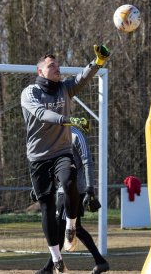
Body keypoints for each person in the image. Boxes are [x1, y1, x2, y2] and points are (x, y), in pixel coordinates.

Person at [21, 45, 110, 273]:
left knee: (69, 180)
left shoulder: (64, 89)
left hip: (61, 152)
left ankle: (71, 226)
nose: (57, 68)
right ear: (40, 71)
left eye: (58, 65)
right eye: (52, 66)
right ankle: (56, 260)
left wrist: (97, 62)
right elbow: (42, 114)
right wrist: (67, 120)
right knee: (47, 208)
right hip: (39, 157)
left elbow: (81, 79)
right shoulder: (30, 93)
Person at [35, 122, 109, 274]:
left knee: (60, 227)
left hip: (74, 190)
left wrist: (90, 189)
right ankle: (100, 262)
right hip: (63, 190)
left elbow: (88, 161)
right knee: (76, 229)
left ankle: (49, 268)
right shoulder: (54, 137)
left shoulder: (76, 134)